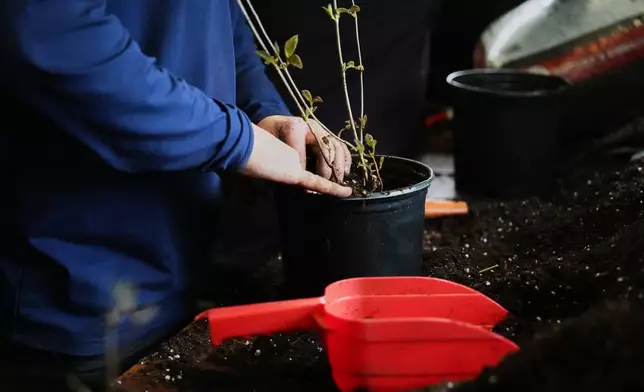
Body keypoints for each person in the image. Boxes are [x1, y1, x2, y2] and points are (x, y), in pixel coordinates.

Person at [0, 1, 352, 391]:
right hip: (70, 297)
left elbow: (221, 20)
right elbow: (51, 35)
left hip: (181, 276)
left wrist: (261, 111)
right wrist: (236, 138)